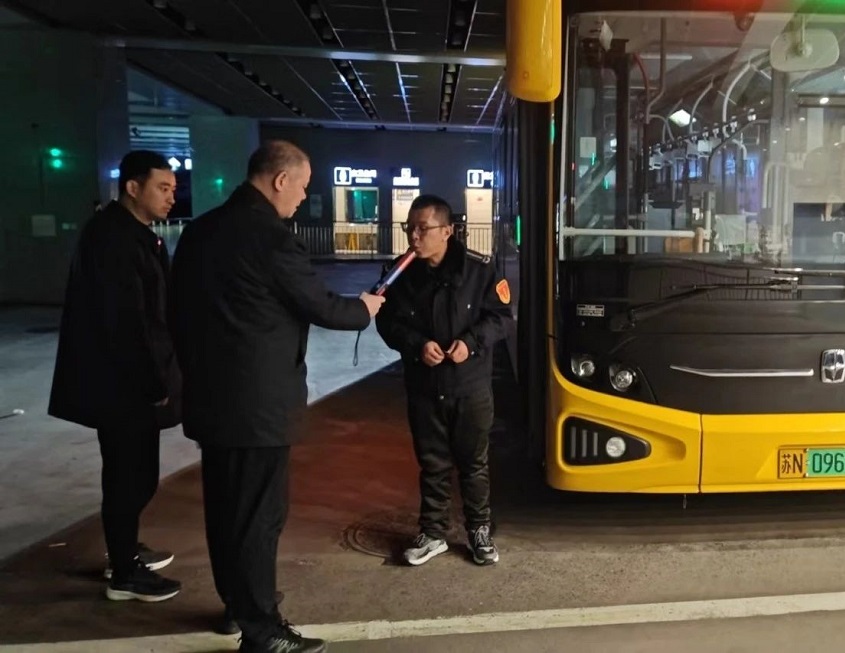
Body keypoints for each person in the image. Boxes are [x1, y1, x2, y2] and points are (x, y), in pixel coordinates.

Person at [170, 140, 384, 653]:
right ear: (280, 179)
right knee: (259, 517)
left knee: (226, 509)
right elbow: (320, 305)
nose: (303, 198)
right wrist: (364, 309)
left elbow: (174, 309)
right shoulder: (269, 237)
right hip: (257, 404)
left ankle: (239, 603)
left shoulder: (200, 231)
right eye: (303, 187)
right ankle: (261, 629)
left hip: (211, 396)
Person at [48, 150, 182, 602]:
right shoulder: (113, 239)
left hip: (126, 383)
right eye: (162, 188)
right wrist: (153, 383)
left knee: (134, 472)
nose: (171, 197)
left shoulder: (130, 233)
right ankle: (125, 572)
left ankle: (124, 550)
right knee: (131, 475)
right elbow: (126, 322)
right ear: (132, 187)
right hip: (123, 387)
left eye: (173, 189)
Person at [375, 194, 512, 567]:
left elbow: (502, 318)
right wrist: (417, 345)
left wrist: (471, 343)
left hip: (470, 387)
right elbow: (387, 322)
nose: (414, 237)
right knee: (432, 463)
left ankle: (479, 531)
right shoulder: (400, 273)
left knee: (473, 464)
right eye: (409, 228)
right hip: (424, 386)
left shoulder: (480, 270)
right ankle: (433, 533)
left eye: (423, 229)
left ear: (447, 231)